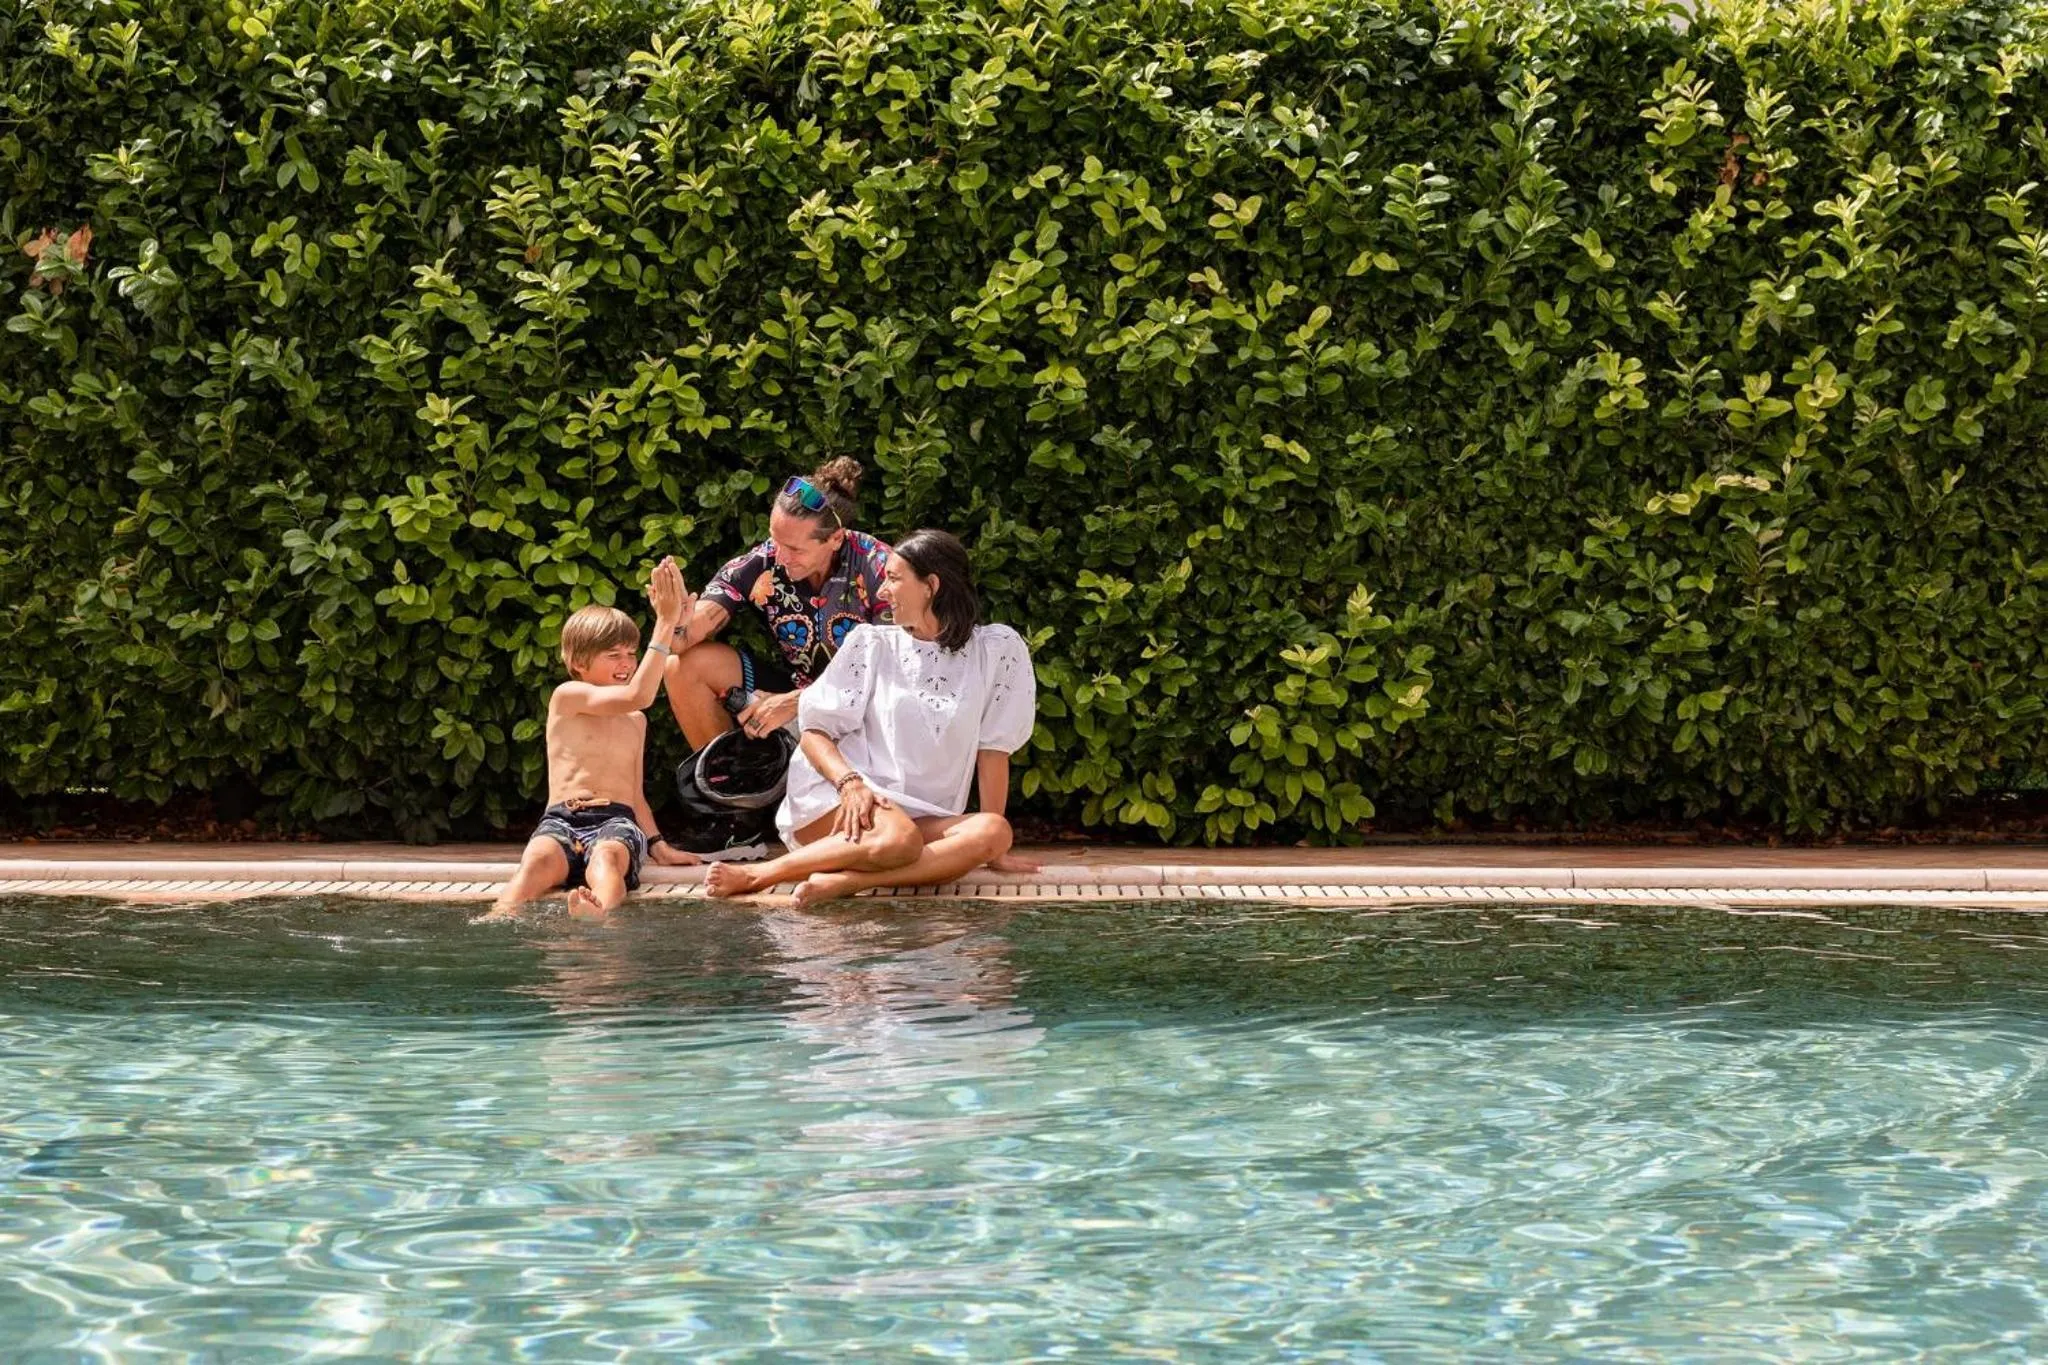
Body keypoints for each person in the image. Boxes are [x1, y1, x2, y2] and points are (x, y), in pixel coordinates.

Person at [705, 529, 1041, 904]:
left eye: (894, 579)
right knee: (898, 837)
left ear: (931, 586)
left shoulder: (997, 649)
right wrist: (849, 784)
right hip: (843, 796)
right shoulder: (872, 644)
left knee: (994, 831)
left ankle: (848, 882)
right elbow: (815, 731)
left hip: (920, 819)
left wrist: (993, 853)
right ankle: (759, 874)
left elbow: (993, 750)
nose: (882, 591)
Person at [489, 559, 701, 917]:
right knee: (537, 861)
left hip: (616, 821)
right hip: (562, 819)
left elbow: (635, 793)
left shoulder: (635, 720)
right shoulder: (568, 697)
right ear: (578, 662)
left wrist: (658, 845)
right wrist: (665, 623)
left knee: (607, 859)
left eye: (631, 654)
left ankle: (598, 910)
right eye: (613, 655)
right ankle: (500, 915)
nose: (626, 663)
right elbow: (638, 694)